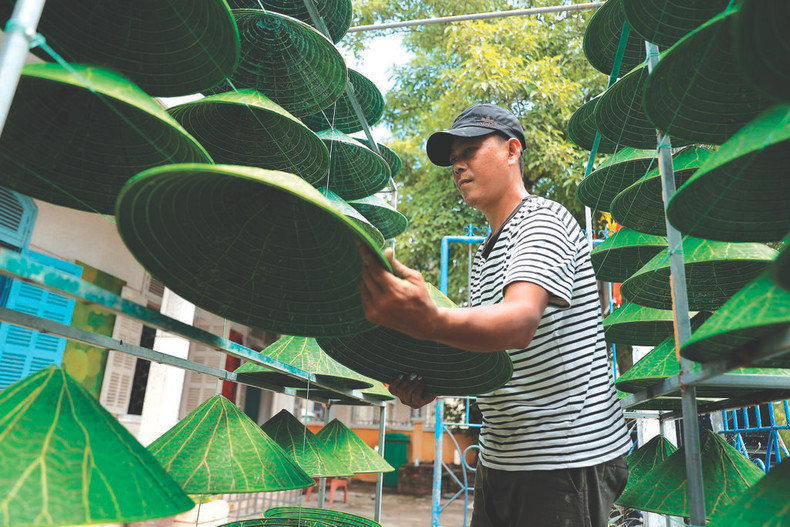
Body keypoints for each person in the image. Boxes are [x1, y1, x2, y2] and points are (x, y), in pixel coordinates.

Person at [357, 103, 631, 527]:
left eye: (468, 150)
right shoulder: (488, 252)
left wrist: (428, 321)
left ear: (511, 151)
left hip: (565, 458)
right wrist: (433, 382)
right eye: (453, 160)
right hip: (503, 458)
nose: (458, 166)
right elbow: (491, 358)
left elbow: (518, 323)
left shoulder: (542, 220)